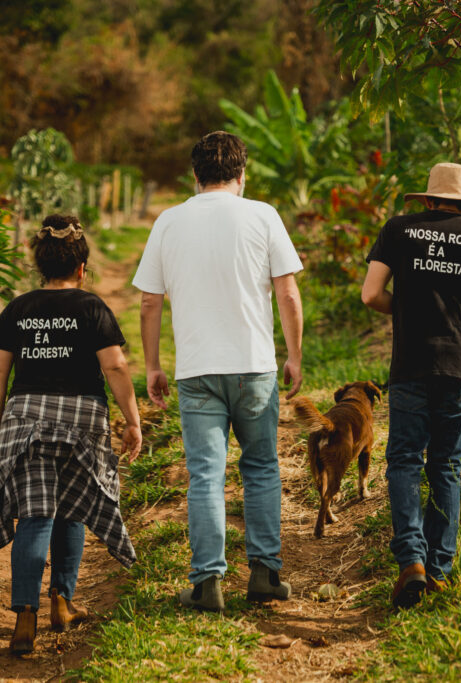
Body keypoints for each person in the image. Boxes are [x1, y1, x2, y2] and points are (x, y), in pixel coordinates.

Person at [133, 131, 304, 613]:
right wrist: (294, 355)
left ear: (195, 176)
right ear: (242, 175)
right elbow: (288, 293)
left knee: (206, 475)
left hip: (197, 371)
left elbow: (149, 302)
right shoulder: (263, 215)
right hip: (254, 367)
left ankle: (207, 582)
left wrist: (153, 365)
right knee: (261, 467)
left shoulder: (168, 221)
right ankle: (265, 574)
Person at [0, 214, 143, 654]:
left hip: (26, 419)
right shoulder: (92, 308)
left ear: (40, 267)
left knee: (35, 515)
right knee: (72, 510)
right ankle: (62, 603)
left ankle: (24, 616)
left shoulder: (18, 309)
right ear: (81, 268)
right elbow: (115, 366)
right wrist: (132, 420)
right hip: (82, 421)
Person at [361, 162, 461, 609]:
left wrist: (409, 311)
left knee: (404, 460)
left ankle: (411, 558)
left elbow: (370, 294)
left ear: (427, 199)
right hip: (459, 366)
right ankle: (439, 571)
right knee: (445, 465)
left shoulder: (398, 230)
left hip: (410, 364)